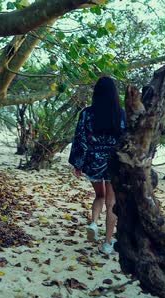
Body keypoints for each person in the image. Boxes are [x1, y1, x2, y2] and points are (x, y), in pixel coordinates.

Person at [69, 76, 126, 255]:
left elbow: (80, 139)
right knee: (112, 203)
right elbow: (126, 140)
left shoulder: (87, 113)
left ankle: (94, 223)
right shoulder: (121, 114)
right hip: (113, 162)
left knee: (99, 195)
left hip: (93, 161)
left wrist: (78, 163)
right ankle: (108, 243)